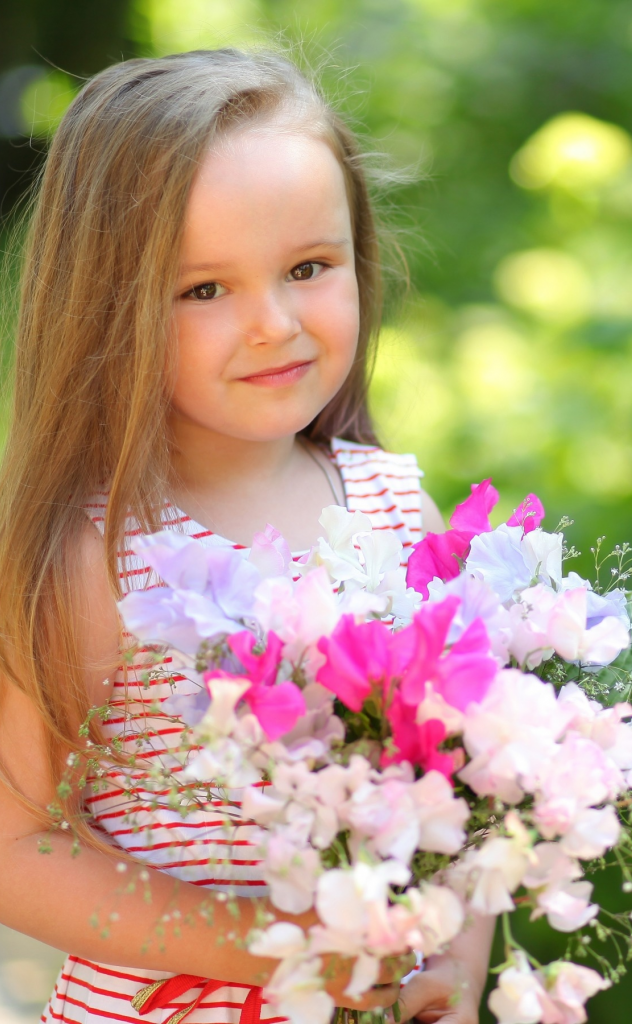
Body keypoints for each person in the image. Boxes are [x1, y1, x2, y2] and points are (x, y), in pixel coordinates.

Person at [0, 49, 493, 1024]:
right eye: (204, 290)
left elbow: (466, 789)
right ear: (107, 309)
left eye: (308, 268)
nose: (273, 324)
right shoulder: (98, 555)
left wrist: (456, 954)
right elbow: (17, 851)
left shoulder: (401, 515)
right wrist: (287, 948)